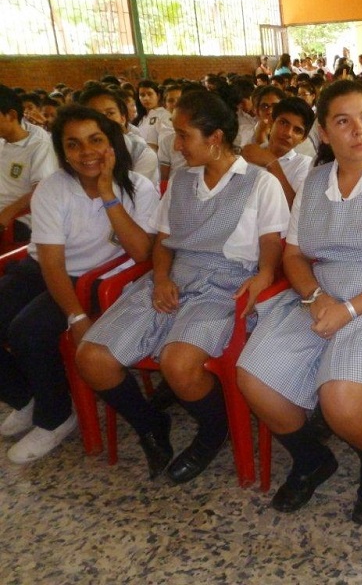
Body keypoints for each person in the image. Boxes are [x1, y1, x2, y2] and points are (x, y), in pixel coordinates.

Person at [236, 80, 362, 525]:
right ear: (324, 133)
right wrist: (315, 296)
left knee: (341, 398)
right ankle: (311, 457)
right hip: (320, 291)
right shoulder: (315, 181)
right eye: (342, 121)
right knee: (255, 377)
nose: (358, 130)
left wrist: (348, 309)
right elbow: (293, 254)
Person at [75, 90, 289, 483]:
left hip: (226, 283)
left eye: (184, 135)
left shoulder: (260, 184)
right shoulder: (181, 182)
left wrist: (265, 272)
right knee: (92, 358)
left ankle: (213, 427)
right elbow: (163, 242)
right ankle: (150, 424)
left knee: (179, 363)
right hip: (174, 276)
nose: (176, 145)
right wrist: (159, 278)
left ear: (215, 138)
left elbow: (271, 243)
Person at [0, 105, 158, 463]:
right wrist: (75, 317)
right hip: (43, 269)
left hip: (95, 278)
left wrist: (108, 194)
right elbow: (51, 261)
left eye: (96, 140)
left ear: (112, 143)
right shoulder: (53, 189)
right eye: (74, 145)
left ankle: (56, 418)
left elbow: (141, 251)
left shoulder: (139, 188)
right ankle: (27, 397)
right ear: (63, 151)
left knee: (28, 330)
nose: (86, 152)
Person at [0, 85, 59, 243]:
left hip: (19, 220)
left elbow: (41, 190)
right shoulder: (2, 142)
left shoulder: (39, 146)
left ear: (11, 115)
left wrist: (7, 213)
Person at [79, 87, 160, 188]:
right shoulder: (75, 152)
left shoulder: (140, 153)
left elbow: (137, 196)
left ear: (123, 118)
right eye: (95, 115)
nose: (103, 120)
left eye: (110, 113)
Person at [241, 97, 315, 206]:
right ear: (271, 122)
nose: (288, 133)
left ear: (303, 139)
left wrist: (272, 163)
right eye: (283, 123)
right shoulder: (252, 153)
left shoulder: (304, 165)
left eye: (297, 130)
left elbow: (295, 209)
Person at [133, 80, 171, 152]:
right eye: (142, 95)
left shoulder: (165, 115)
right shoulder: (140, 119)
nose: (146, 98)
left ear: (158, 96)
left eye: (150, 94)